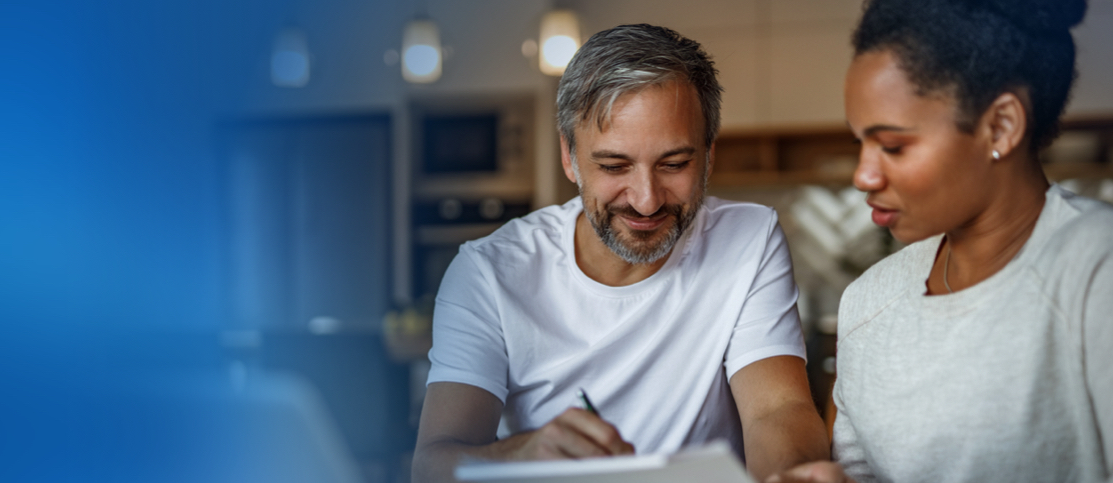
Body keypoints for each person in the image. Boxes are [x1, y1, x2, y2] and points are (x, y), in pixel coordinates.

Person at [411, 24, 830, 483]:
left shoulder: (749, 238)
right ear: (569, 156)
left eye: (674, 164)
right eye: (614, 166)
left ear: (708, 156)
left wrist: (790, 475)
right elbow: (433, 465)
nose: (647, 200)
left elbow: (776, 408)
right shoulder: (487, 273)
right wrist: (521, 455)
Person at [770, 0, 1113, 482]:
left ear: (1001, 126)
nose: (863, 176)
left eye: (892, 146)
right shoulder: (869, 301)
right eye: (860, 144)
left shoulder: (1095, 266)